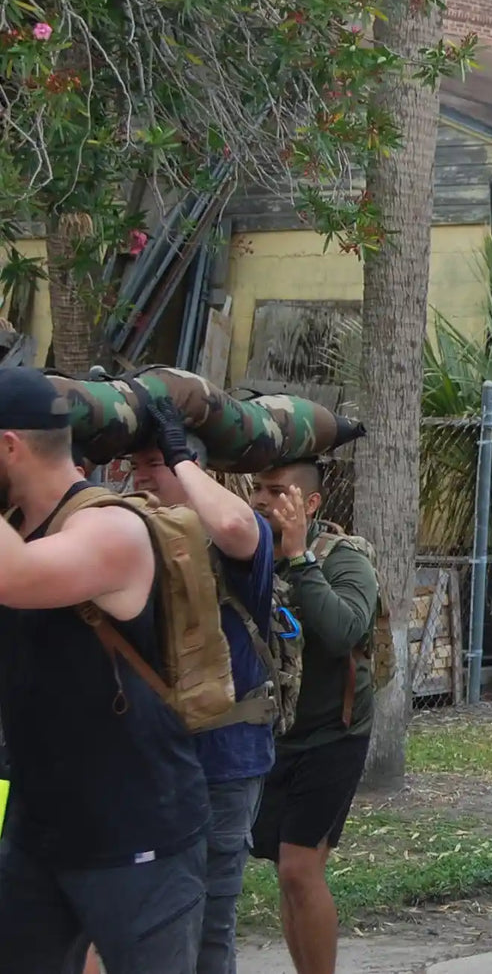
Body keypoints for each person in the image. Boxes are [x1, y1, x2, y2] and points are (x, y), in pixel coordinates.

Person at [0, 367, 210, 974]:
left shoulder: (110, 528)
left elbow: (15, 579)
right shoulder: (17, 527)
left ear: (10, 446)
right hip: (41, 828)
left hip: (138, 832)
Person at [129, 403, 277, 974]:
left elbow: (239, 527)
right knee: (151, 924)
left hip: (223, 761)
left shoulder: (237, 538)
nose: (142, 474)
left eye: (155, 463)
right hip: (151, 763)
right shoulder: (132, 537)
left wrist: (180, 458)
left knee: (208, 928)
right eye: (134, 463)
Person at [248, 461, 379, 974]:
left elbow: (343, 630)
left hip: (334, 732)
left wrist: (300, 558)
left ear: (311, 503)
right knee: (287, 872)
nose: (262, 499)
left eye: (277, 491)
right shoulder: (251, 554)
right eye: (257, 488)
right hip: (276, 732)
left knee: (301, 868)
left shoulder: (344, 559)